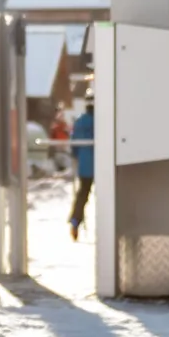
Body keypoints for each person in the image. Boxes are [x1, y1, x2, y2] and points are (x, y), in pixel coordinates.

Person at [69, 95, 95, 240]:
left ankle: (75, 222)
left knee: (82, 194)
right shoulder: (102, 121)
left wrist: (77, 156)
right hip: (102, 166)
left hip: (85, 165)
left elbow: (74, 145)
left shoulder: (79, 122)